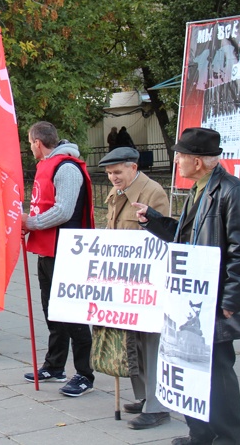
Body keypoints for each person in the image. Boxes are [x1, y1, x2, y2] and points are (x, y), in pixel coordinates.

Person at [132, 127, 240, 445]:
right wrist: (152, 219)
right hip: (194, 296)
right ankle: (200, 433)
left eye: (180, 155)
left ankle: (231, 438)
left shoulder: (232, 192)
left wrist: (229, 300)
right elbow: (186, 238)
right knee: (191, 367)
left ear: (197, 161)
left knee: (218, 372)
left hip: (215, 299)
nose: (176, 160)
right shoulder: (200, 188)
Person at [98, 146, 170, 430]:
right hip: (123, 280)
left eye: (117, 172)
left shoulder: (153, 193)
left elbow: (162, 236)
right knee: (134, 343)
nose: (113, 177)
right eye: (109, 173)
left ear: (133, 167)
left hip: (147, 282)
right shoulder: (117, 194)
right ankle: (142, 396)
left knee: (151, 344)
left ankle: (157, 405)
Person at [22, 122, 95, 396]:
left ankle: (85, 374)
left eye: (30, 142)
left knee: (72, 314)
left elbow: (63, 211)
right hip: (48, 249)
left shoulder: (66, 167)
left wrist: (31, 222)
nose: (30, 147)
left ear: (38, 142)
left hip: (68, 250)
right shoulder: (48, 165)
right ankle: (55, 365)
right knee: (52, 310)